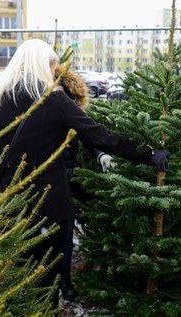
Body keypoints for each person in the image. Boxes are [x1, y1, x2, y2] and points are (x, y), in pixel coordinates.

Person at [0, 38, 170, 314]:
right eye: (53, 68)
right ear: (44, 66)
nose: (55, 74)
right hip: (50, 208)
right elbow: (100, 135)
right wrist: (148, 154)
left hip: (10, 208)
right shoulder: (53, 100)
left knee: (15, 278)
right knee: (47, 279)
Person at [55, 64, 116, 302]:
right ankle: (59, 279)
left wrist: (101, 154)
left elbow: (89, 134)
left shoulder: (68, 107)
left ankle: (71, 276)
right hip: (47, 180)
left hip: (70, 178)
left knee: (78, 223)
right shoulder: (39, 108)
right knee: (58, 231)